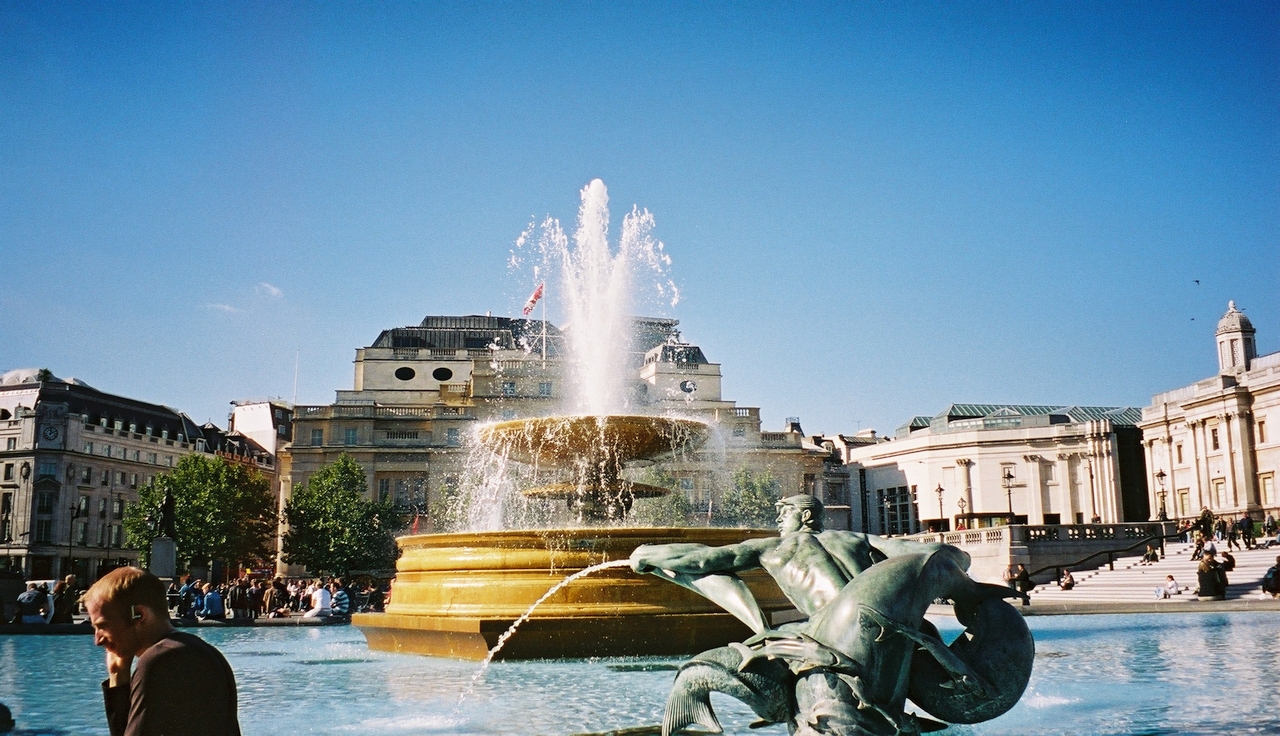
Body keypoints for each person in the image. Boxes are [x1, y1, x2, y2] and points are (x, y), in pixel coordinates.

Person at [629, 494, 1026, 734]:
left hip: (828, 634)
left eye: (782, 515)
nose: (777, 522)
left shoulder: (775, 547)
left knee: (758, 658)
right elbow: (935, 556)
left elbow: (705, 561)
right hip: (903, 632)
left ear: (802, 518)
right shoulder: (859, 539)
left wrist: (646, 555)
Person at [84, 567, 241, 736]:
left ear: (139, 614)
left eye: (103, 626)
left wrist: (118, 681)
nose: (98, 640)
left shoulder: (158, 661)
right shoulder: (206, 651)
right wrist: (118, 673)